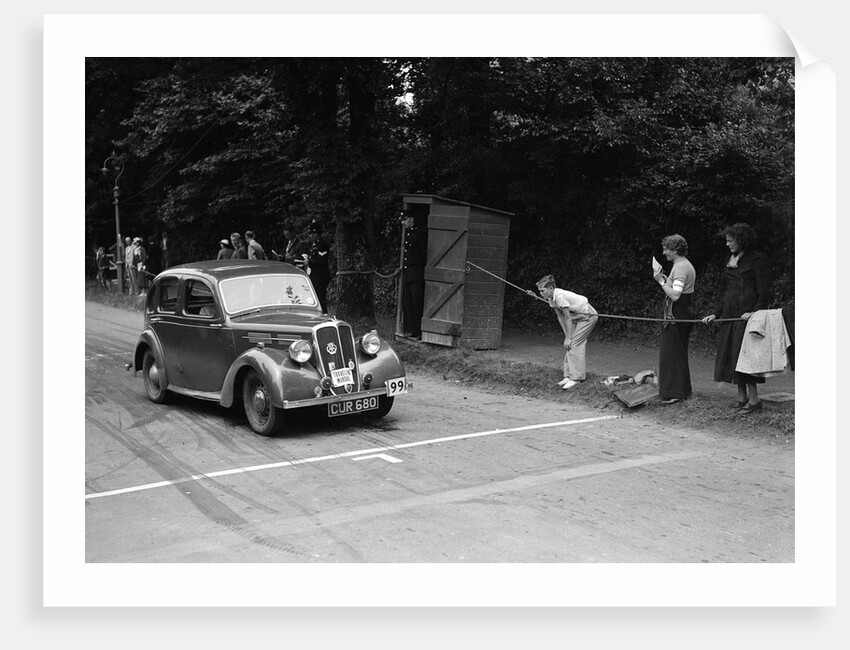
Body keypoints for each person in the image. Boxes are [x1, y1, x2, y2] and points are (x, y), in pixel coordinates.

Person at [701, 222, 772, 415]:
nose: (727, 244)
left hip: (747, 318)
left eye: (730, 241)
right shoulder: (730, 260)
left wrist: (754, 312)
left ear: (741, 240)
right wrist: (715, 313)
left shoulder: (758, 260)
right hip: (729, 318)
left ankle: (755, 401)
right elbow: (723, 292)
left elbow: (764, 292)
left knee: (747, 359)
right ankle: (741, 398)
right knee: (732, 357)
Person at [532, 274, 599, 389]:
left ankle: (576, 378)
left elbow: (567, 318)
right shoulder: (551, 299)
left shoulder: (559, 297)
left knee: (574, 344)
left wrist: (569, 338)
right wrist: (567, 335)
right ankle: (568, 376)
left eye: (542, 291)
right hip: (576, 317)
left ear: (551, 288)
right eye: (540, 291)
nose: (541, 294)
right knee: (569, 345)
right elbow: (560, 317)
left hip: (588, 316)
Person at [653, 234, 697, 404]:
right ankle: (678, 391)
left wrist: (660, 282)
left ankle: (676, 392)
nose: (664, 253)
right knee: (673, 353)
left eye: (666, 249)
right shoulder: (681, 265)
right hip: (680, 312)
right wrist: (665, 280)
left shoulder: (680, 268)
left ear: (675, 250)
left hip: (677, 314)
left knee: (673, 353)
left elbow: (676, 295)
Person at [400, 211, 427, 338]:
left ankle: (420, 331)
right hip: (408, 274)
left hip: (416, 275)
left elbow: (422, 255)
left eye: (405, 220)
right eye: (402, 220)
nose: (403, 223)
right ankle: (413, 330)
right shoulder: (407, 234)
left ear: (411, 219)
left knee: (417, 304)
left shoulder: (419, 234)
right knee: (409, 304)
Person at [305, 219, 332, 314]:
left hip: (321, 276)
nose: (310, 236)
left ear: (317, 233)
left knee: (321, 297)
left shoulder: (322, 245)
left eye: (312, 234)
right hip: (314, 275)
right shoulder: (314, 245)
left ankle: (324, 314)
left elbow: (321, 261)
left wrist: (309, 262)